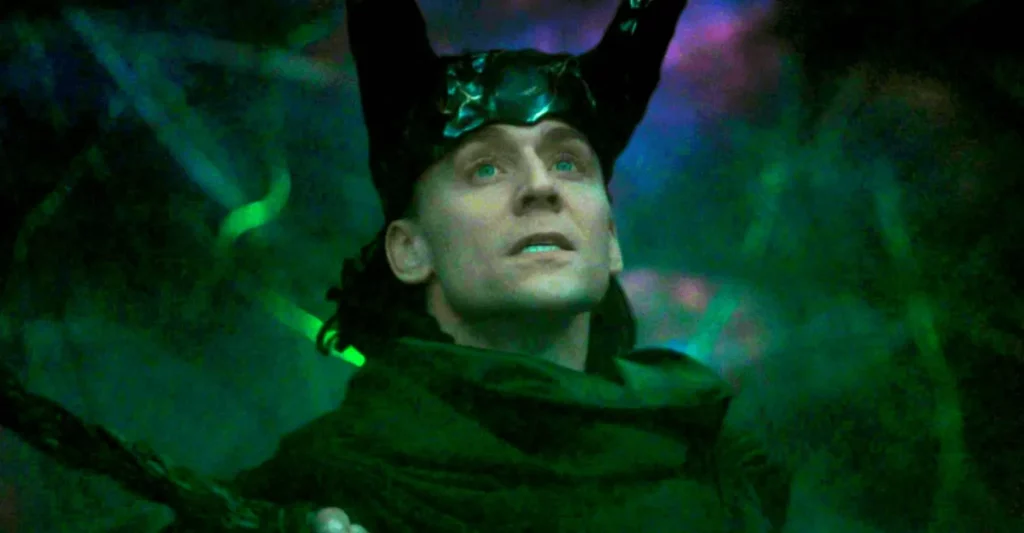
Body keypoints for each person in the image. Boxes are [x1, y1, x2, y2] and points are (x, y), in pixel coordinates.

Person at [0, 0, 789, 531]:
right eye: (485, 167)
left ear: (610, 242)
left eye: (569, 163)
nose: (541, 187)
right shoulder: (317, 492)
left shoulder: (723, 473)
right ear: (410, 249)